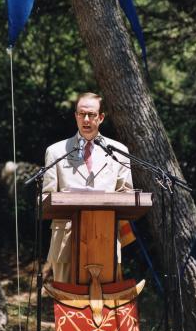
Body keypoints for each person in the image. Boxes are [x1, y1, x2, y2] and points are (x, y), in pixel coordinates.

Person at [42, 92, 132, 282]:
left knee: (104, 308)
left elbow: (127, 196)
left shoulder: (119, 152)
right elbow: (45, 198)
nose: (86, 119)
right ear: (75, 116)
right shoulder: (56, 151)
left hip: (105, 241)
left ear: (101, 118)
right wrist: (63, 199)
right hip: (65, 243)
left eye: (91, 115)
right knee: (68, 306)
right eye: (81, 114)